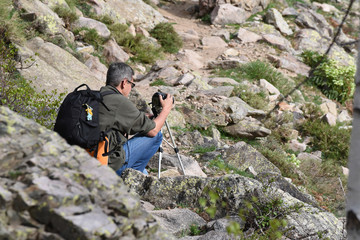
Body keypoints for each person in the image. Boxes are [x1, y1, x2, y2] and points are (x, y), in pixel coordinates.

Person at [99, 62, 173, 176]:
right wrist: (166, 109)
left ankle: (139, 176)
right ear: (124, 82)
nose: (131, 89)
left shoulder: (97, 97)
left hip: (87, 161)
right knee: (157, 136)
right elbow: (153, 131)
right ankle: (129, 179)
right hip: (107, 165)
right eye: (132, 85)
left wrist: (142, 118)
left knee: (145, 173)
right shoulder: (119, 101)